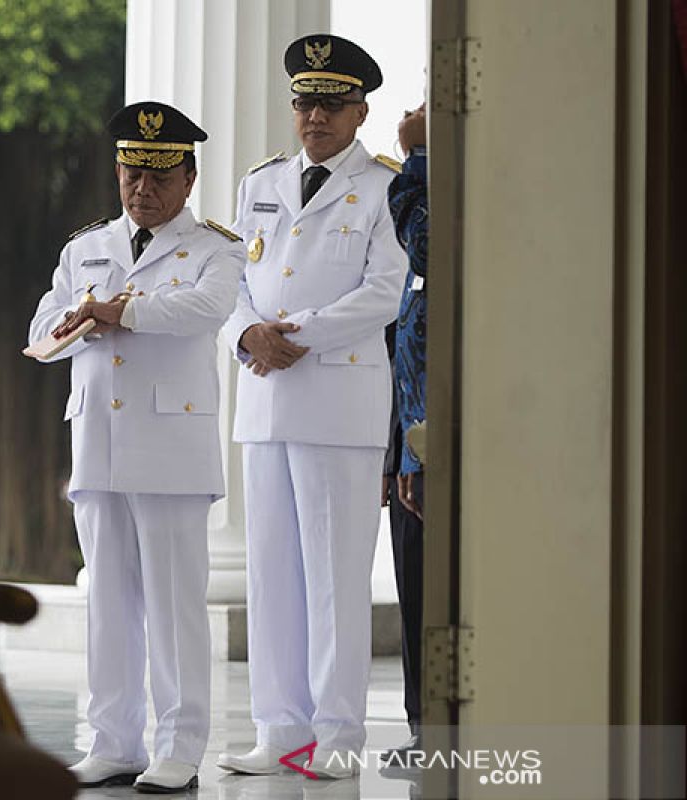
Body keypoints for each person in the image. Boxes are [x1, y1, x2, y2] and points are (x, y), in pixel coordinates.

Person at [28, 101, 245, 793]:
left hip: (171, 450)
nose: (141, 190)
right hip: (98, 443)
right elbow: (42, 328)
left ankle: (178, 747)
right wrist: (79, 323)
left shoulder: (217, 247)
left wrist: (121, 310)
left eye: (157, 176)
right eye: (130, 174)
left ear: (188, 177)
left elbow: (206, 310)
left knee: (175, 606)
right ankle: (113, 740)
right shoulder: (85, 245)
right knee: (109, 604)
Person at [215, 34, 407, 780]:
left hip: (338, 398)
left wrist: (296, 336)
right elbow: (231, 280)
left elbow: (384, 289)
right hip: (265, 400)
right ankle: (280, 729)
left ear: (360, 112)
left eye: (331, 104)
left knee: (333, 575)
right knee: (270, 574)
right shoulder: (258, 183)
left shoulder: (386, 185)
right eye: (304, 102)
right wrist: (246, 337)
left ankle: (337, 734)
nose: (315, 116)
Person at [381, 102, 428, 766]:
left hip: (449, 435)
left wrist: (417, 156)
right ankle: (426, 726)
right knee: (415, 578)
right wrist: (397, 452)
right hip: (414, 434)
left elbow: (425, 244)